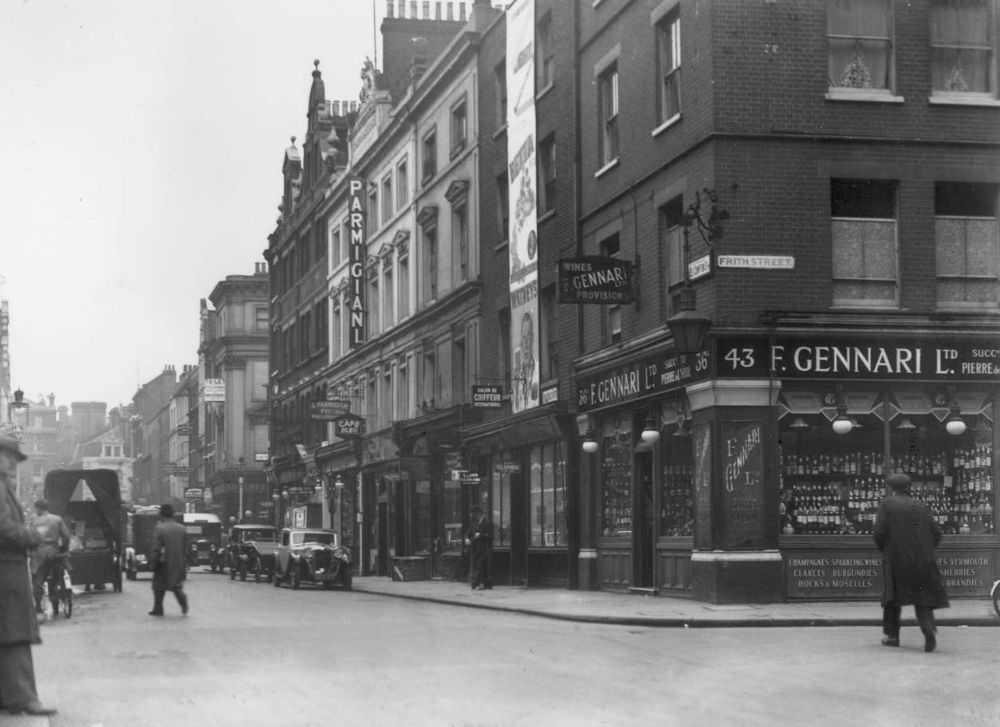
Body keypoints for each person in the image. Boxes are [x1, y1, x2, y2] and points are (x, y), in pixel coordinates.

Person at [0, 433, 57, 716]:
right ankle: (24, 698)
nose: (13, 464)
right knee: (17, 634)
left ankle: (9, 698)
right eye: (10, 457)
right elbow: (5, 530)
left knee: (7, 635)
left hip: (7, 570)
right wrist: (34, 535)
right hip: (7, 571)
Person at [874, 472, 950, 652]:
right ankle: (928, 629)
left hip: (897, 560)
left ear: (892, 488)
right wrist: (927, 551)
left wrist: (886, 550)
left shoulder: (887, 505)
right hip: (923, 560)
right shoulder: (921, 505)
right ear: (909, 487)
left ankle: (892, 636)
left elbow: (879, 532)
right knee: (923, 598)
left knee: (892, 598)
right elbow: (937, 533)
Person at [148, 503, 189, 616]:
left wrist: (153, 562)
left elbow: (156, 548)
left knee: (158, 586)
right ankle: (182, 600)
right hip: (178, 561)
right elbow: (185, 547)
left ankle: (158, 608)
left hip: (163, 562)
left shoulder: (159, 528)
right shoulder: (182, 529)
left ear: (161, 514)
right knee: (175, 585)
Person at [30, 500, 70, 614]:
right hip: (54, 553)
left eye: (36, 509)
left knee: (37, 579)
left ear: (39, 508)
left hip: (39, 555)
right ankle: (57, 595)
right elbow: (66, 536)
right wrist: (64, 548)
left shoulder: (34, 521)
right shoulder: (57, 519)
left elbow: (30, 537)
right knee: (57, 574)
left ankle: (38, 605)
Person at [466, 506, 493, 591]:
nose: (473, 516)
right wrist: (467, 538)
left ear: (478, 513)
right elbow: (469, 532)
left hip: (484, 549)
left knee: (480, 566)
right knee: (480, 567)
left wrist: (480, 535)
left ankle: (475, 583)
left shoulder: (487, 523)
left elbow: (490, 536)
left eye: (474, 514)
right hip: (475, 549)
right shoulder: (475, 523)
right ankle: (486, 584)